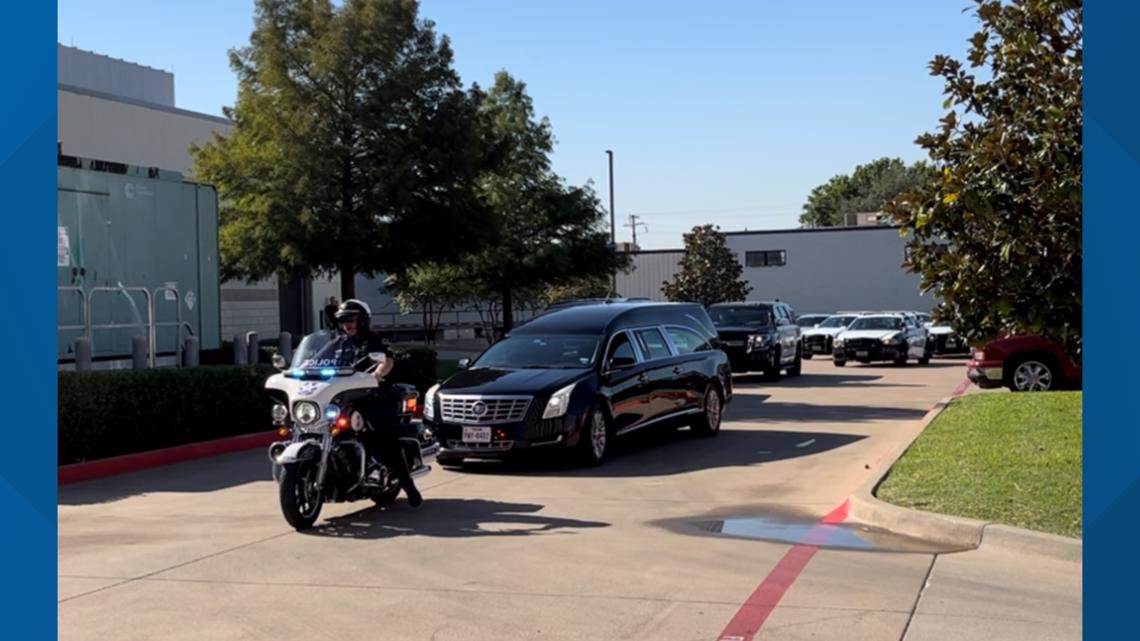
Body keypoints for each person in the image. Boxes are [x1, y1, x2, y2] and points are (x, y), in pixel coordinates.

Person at [334, 299, 423, 507]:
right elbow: (317, 359)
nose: (348, 324)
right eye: (344, 320)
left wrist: (378, 373)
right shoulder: (337, 342)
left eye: (352, 319)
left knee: (382, 438)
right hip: (341, 397)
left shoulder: (373, 341)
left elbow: (387, 360)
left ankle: (408, 486)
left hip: (371, 396)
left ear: (362, 320)